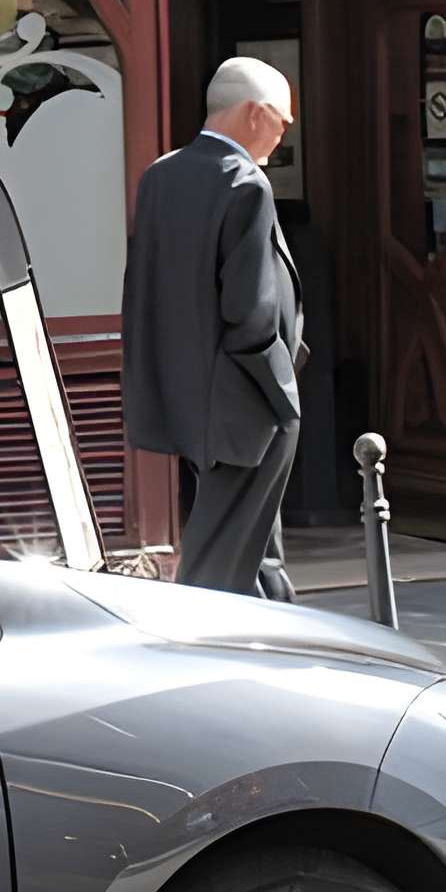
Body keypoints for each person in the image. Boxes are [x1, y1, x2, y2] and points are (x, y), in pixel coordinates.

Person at [121, 55, 306, 601]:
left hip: (184, 393)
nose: (284, 132)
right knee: (220, 559)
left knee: (255, 547)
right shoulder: (245, 184)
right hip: (244, 399)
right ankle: (199, 653)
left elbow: (148, 290)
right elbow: (250, 310)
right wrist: (283, 390)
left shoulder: (160, 176)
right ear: (255, 113)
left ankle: (280, 624)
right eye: (283, 120)